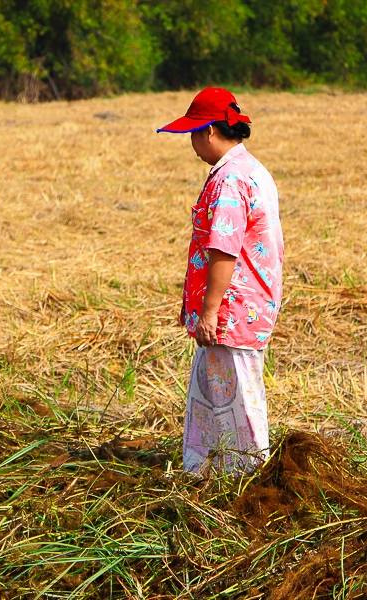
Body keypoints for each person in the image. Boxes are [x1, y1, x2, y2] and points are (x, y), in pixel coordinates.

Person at [157, 87, 284, 476]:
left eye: (195, 134)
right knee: (214, 393)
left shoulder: (229, 180)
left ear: (211, 131)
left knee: (239, 400)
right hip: (244, 307)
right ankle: (209, 472)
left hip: (232, 310)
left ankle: (250, 480)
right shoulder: (251, 170)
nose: (193, 144)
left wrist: (210, 311)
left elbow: (224, 250)